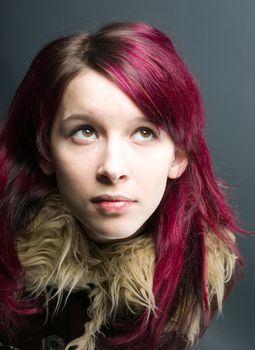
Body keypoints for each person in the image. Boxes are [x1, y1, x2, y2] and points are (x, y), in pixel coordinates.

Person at [0, 21, 242, 350]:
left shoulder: (202, 275)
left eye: (144, 132)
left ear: (178, 156)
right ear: (46, 153)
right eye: (85, 131)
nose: (113, 169)